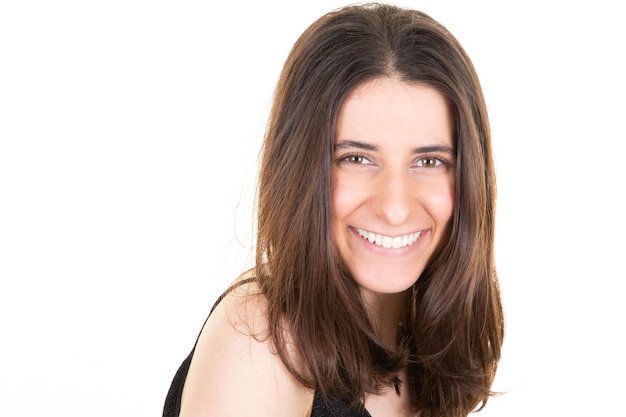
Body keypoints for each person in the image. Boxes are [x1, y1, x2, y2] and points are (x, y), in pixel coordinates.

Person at [163, 3, 504, 417]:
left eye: (429, 161)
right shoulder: (262, 339)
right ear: (302, 171)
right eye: (357, 159)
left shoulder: (425, 365)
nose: (395, 208)